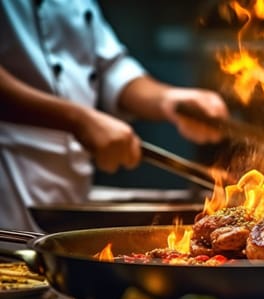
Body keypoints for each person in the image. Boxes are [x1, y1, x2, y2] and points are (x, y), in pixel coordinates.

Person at [0, 1, 230, 231]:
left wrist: (169, 99)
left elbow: (112, 68)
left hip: (69, 189)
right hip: (8, 181)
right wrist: (79, 120)